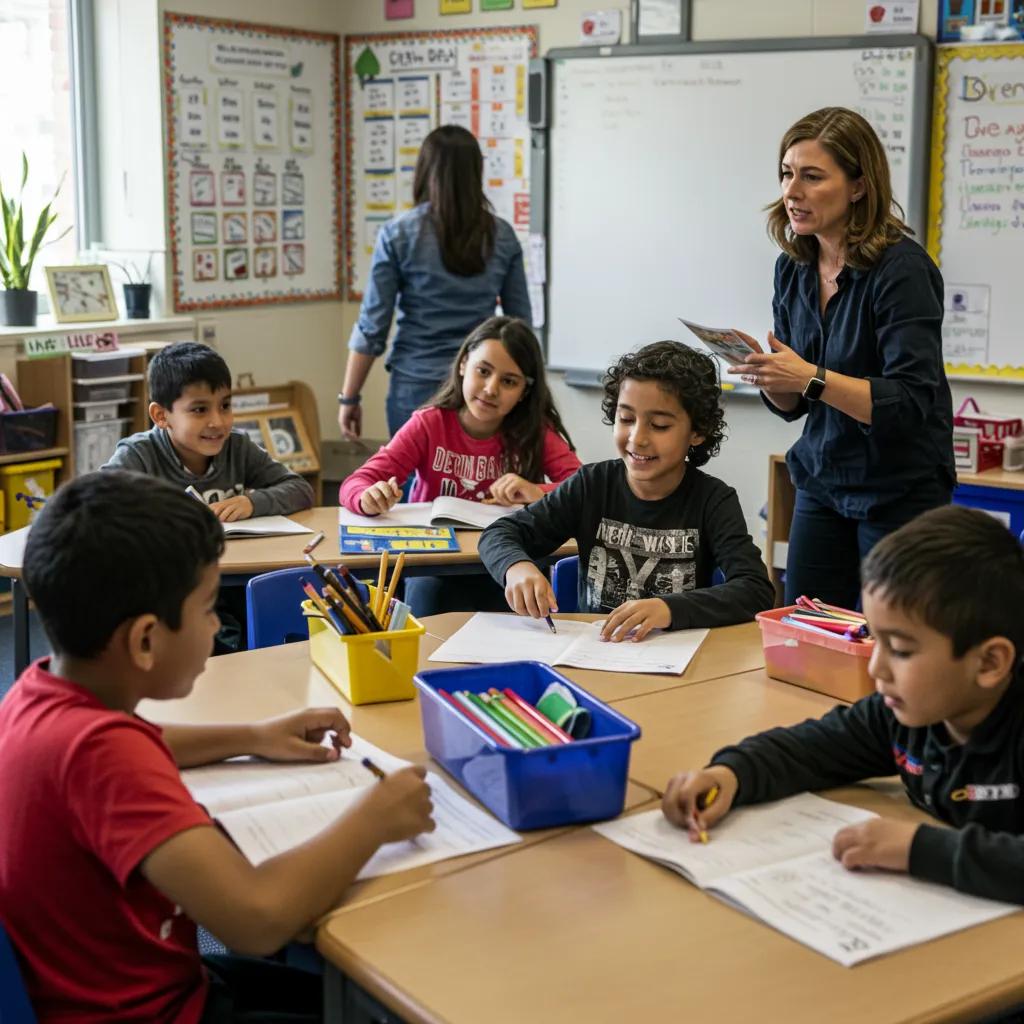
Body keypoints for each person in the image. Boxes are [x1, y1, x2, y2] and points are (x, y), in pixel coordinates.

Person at [0, 472, 434, 1022]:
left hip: (132, 979)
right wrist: (374, 818)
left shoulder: (41, 694)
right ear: (146, 640)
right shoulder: (103, 758)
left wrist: (253, 736)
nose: (214, 627)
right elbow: (256, 920)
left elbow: (143, 743)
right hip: (156, 1010)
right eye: (208, 609)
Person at [663, 505, 1024, 904]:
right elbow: (812, 749)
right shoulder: (903, 711)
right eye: (874, 639)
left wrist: (918, 849)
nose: (875, 667)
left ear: (989, 663)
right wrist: (731, 773)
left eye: (901, 650)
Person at [726, 107, 954, 608]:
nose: (792, 191)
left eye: (812, 177)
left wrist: (808, 377)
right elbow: (797, 406)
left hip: (899, 489)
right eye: (787, 174)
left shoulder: (903, 270)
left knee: (889, 632)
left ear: (858, 187)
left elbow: (909, 401)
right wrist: (772, 377)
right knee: (806, 626)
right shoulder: (793, 268)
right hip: (823, 479)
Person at [479, 342, 774, 641]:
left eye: (659, 425)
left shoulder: (713, 500)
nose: (637, 438)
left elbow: (755, 589)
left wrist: (669, 608)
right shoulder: (591, 485)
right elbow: (499, 533)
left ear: (697, 432)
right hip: (594, 652)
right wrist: (516, 567)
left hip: (673, 657)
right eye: (626, 419)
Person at [340, 316, 580, 616]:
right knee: (429, 602)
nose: (491, 389)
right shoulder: (429, 424)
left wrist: (537, 491)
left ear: (525, 391)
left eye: (508, 381)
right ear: (464, 364)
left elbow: (582, 488)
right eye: (483, 371)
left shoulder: (535, 432)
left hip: (508, 560)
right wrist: (367, 497)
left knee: (521, 613)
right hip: (436, 565)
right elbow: (357, 482)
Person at [339, 124, 532, 441]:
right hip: (481, 387)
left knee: (411, 474)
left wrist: (349, 397)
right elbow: (519, 326)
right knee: (477, 473)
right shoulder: (502, 236)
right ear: (476, 173)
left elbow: (372, 327)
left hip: (414, 384)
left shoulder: (398, 234)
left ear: (425, 171)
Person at [105, 341, 314, 521]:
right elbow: (96, 505)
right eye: (199, 410)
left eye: (225, 406)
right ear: (161, 416)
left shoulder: (237, 447)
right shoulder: (138, 455)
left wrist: (251, 503)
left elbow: (300, 489)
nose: (218, 422)